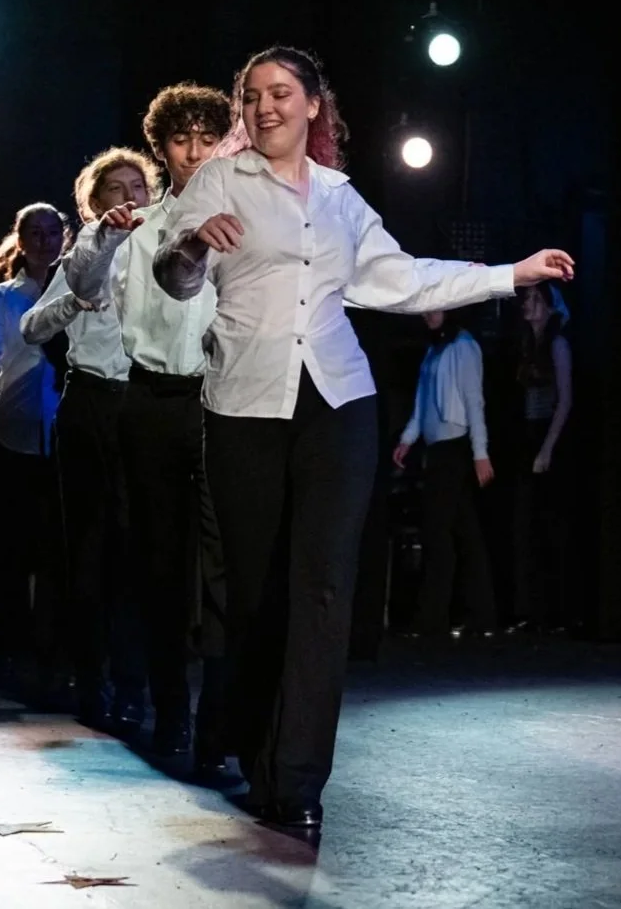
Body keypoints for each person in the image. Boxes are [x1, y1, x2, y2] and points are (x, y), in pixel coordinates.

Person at [147, 46, 574, 829]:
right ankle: (251, 743)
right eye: (251, 97)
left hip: (337, 403)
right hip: (244, 405)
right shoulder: (219, 180)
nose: (263, 107)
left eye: (281, 93)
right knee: (255, 595)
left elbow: (401, 280)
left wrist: (507, 273)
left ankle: (298, 781)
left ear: (314, 105)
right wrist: (193, 246)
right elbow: (173, 280)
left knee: (323, 589)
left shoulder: (341, 198)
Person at [63, 84, 233, 771]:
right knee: (159, 567)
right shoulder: (135, 225)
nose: (193, 151)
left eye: (205, 137)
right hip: (152, 402)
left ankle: (222, 726)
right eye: (179, 139)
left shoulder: (243, 216)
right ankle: (173, 714)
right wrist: (103, 233)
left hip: (224, 401)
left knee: (225, 574)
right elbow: (79, 285)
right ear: (161, 148)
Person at [19, 153, 155, 726]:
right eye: (115, 189)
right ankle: (94, 682)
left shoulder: (167, 249)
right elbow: (31, 327)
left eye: (138, 186)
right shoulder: (79, 256)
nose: (129, 196)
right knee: (92, 551)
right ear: (93, 203)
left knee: (142, 554)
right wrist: (75, 300)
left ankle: (135, 688)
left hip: (148, 403)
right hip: (91, 403)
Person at [0, 203, 72, 690]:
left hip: (70, 432)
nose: (46, 241)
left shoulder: (79, 284)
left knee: (60, 551)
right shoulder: (1, 297)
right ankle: (11, 649)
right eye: (36, 233)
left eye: (54, 232)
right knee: (12, 548)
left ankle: (56, 651)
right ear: (21, 240)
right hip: (16, 430)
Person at [393, 307, 497, 639]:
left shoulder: (463, 346)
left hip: (454, 448)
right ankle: (480, 615)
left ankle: (433, 619)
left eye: (434, 307)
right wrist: (408, 439)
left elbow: (473, 401)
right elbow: (422, 403)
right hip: (437, 448)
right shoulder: (434, 349)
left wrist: (480, 452)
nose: (426, 313)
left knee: (439, 533)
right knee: (463, 532)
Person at [510, 282, 575, 633]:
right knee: (528, 527)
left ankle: (556, 612)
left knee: (551, 526)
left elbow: (565, 400)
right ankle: (533, 611)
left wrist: (548, 448)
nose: (527, 304)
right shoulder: (527, 346)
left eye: (535, 299)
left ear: (550, 308)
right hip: (529, 433)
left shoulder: (557, 344)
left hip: (550, 436)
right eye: (527, 298)